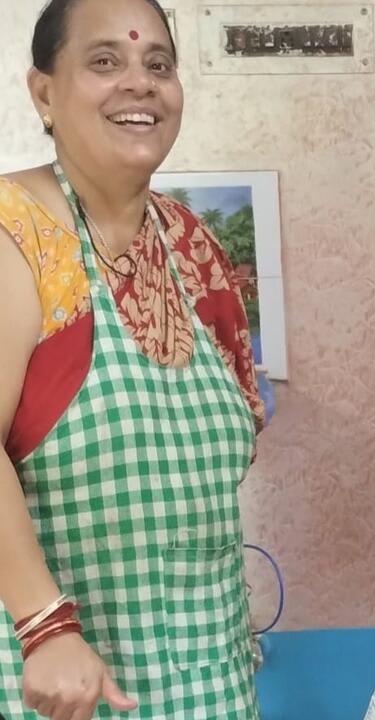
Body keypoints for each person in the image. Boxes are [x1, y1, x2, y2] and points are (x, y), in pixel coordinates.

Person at [0, 0, 264, 717]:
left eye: (158, 65)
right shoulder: (17, 233)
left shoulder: (192, 244)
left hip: (211, 682)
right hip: (60, 688)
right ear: (44, 93)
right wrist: (43, 623)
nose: (141, 83)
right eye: (105, 61)